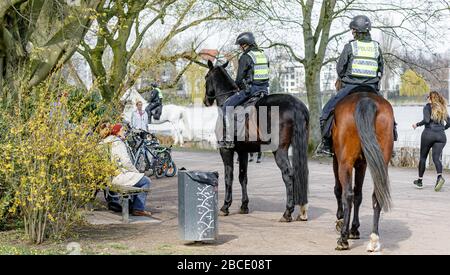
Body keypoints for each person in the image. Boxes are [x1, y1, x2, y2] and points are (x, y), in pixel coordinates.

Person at [316, 15, 394, 156]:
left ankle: (326, 145)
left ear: (355, 31)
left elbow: (340, 68)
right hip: (371, 88)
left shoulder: (351, 46)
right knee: (390, 115)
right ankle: (391, 142)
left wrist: (346, 77)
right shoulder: (376, 47)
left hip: (350, 87)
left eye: (353, 30)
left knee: (325, 113)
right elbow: (380, 70)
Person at [219, 32, 270, 148]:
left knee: (226, 107)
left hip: (252, 90)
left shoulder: (246, 57)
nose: (240, 48)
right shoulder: (263, 55)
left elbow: (239, 79)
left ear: (245, 45)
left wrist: (242, 88)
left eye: (240, 45)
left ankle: (228, 139)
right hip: (265, 90)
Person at [101, 123, 152, 217]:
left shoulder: (104, 142)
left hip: (106, 177)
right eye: (123, 130)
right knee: (145, 181)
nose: (125, 132)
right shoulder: (118, 143)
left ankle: (132, 206)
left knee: (135, 180)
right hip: (117, 176)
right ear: (117, 132)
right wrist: (136, 172)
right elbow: (126, 162)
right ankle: (138, 209)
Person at [412, 91, 450, 191]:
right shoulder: (442, 108)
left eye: (428, 97)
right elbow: (449, 122)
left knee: (423, 157)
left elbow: (427, 120)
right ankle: (439, 177)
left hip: (428, 134)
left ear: (430, 98)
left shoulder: (427, 107)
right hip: (441, 136)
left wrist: (417, 124)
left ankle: (420, 181)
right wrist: (442, 129)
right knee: (437, 158)